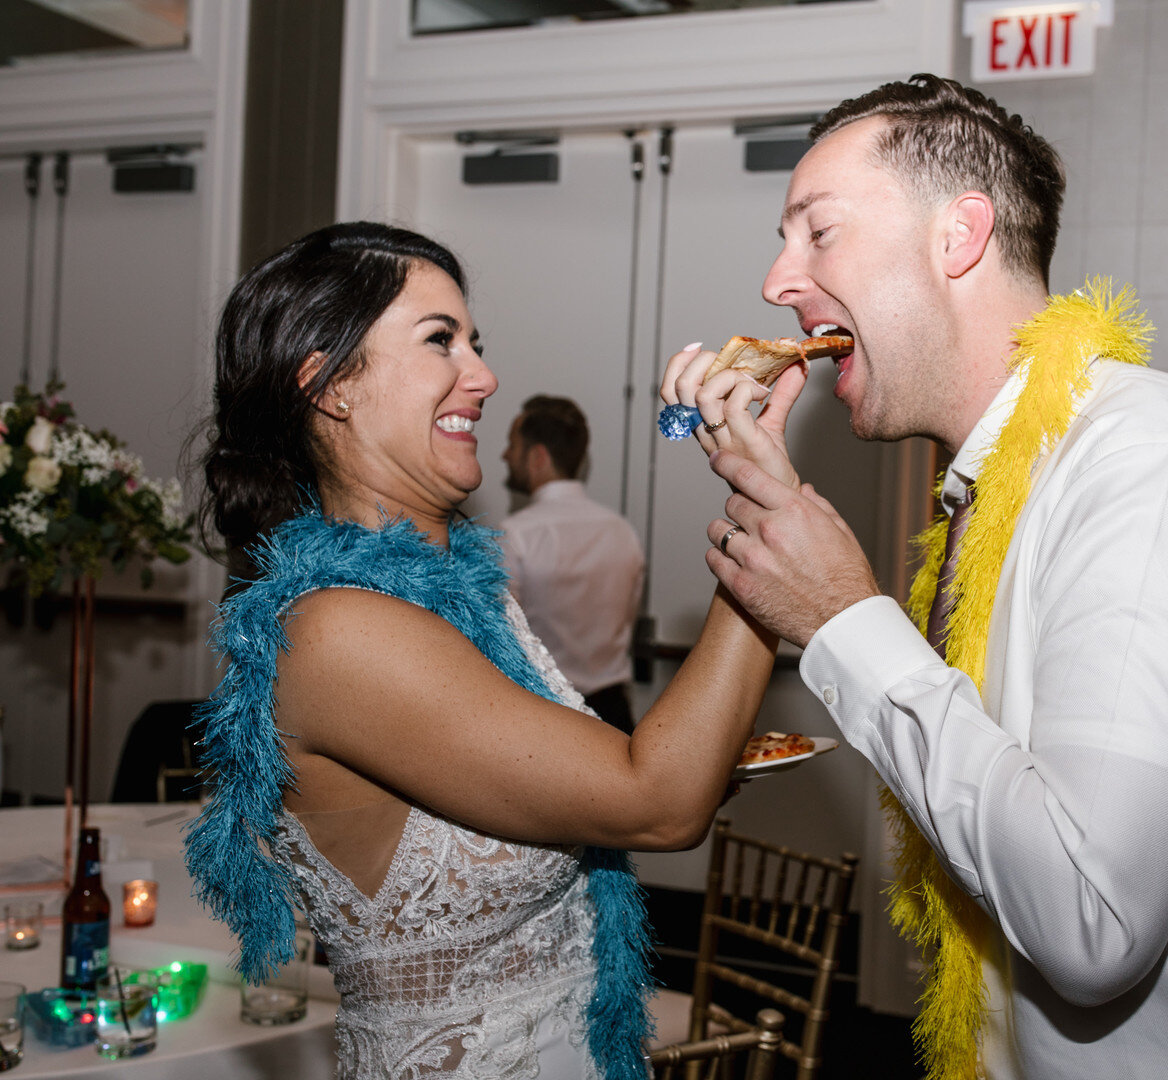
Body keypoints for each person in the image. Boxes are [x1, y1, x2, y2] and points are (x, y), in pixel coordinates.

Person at [662, 75, 1168, 1079]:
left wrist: (847, 617)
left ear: (959, 236)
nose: (778, 279)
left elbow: (1091, 916)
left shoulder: (1151, 460)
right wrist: (770, 502)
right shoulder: (990, 495)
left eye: (818, 231)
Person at [185, 222, 777, 1080]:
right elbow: (658, 802)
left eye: (476, 342)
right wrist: (767, 517)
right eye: (439, 341)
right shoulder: (333, 630)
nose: (485, 375)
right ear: (330, 386)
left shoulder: (466, 590)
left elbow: (609, 783)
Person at [499, 395, 644, 736]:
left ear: (538, 457)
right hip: (615, 717)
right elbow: (626, 622)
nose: (505, 455)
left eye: (512, 445)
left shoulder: (515, 535)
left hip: (546, 715)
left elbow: (507, 644)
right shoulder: (622, 531)